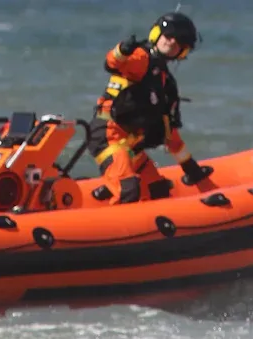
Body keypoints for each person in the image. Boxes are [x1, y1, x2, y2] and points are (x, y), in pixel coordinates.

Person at [87, 12, 212, 204]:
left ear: (182, 51)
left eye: (177, 42)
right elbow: (113, 63)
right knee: (129, 190)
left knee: (158, 190)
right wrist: (122, 49)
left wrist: (191, 168)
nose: (171, 42)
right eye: (168, 36)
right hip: (107, 136)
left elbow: (170, 133)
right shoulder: (141, 58)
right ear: (156, 34)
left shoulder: (165, 84)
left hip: (131, 146)